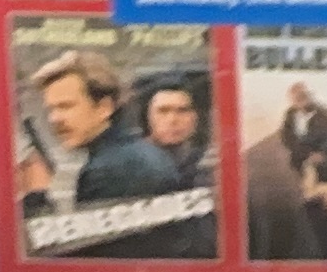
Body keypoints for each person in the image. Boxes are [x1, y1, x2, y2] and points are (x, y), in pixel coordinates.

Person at [15, 48, 209, 259]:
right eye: (51, 109)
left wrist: (36, 196)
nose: (55, 119)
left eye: (66, 106)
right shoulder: (134, 154)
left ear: (104, 108)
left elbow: (88, 260)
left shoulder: (111, 170)